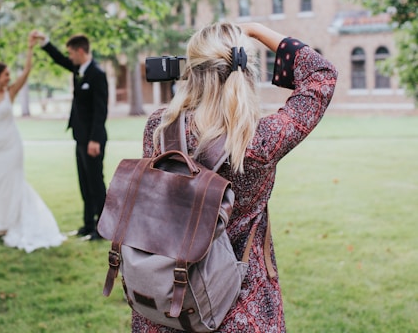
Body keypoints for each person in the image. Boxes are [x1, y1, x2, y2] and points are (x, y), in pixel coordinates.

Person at [132, 22, 337, 332]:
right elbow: (321, 76)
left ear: (191, 71)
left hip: (167, 298)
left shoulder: (159, 129)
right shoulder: (258, 142)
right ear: (244, 73)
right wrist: (257, 30)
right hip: (241, 304)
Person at [0, 32, 65, 252]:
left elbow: (27, 71)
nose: (8, 78)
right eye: (5, 75)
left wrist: (30, 47)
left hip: (12, 146)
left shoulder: (10, 93)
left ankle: (11, 222)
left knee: (13, 184)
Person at [30, 30, 108, 241]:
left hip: (93, 139)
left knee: (96, 184)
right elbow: (59, 60)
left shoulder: (97, 74)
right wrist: (45, 42)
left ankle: (102, 228)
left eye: (71, 53)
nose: (70, 57)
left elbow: (101, 111)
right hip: (79, 136)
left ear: (81, 51)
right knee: (84, 182)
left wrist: (94, 139)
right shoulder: (78, 69)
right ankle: (87, 225)